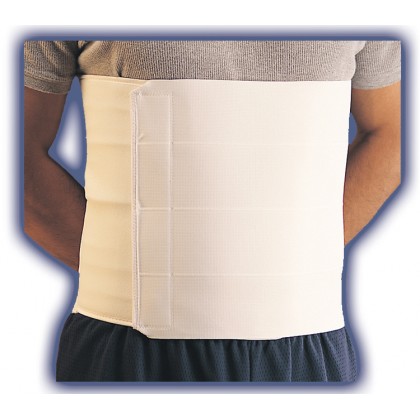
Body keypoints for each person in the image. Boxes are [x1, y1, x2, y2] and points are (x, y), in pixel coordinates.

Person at [23, 39, 401, 382]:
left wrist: (281, 266)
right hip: (130, 342)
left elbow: (392, 132)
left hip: (307, 343)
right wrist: (131, 272)